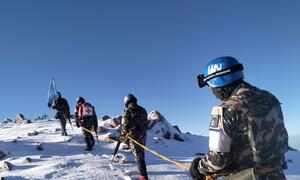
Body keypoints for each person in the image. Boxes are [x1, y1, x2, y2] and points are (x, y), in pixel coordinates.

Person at [190, 56, 289, 180]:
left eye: (210, 87)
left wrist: (199, 167)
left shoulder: (225, 110)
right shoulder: (270, 98)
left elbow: (217, 162)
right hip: (277, 175)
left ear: (218, 84)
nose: (212, 92)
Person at [120, 94, 149, 180]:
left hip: (133, 138)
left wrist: (122, 137)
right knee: (141, 153)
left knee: (138, 156)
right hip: (143, 136)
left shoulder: (128, 111)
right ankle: (141, 170)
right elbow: (146, 124)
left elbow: (125, 127)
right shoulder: (143, 110)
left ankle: (143, 176)